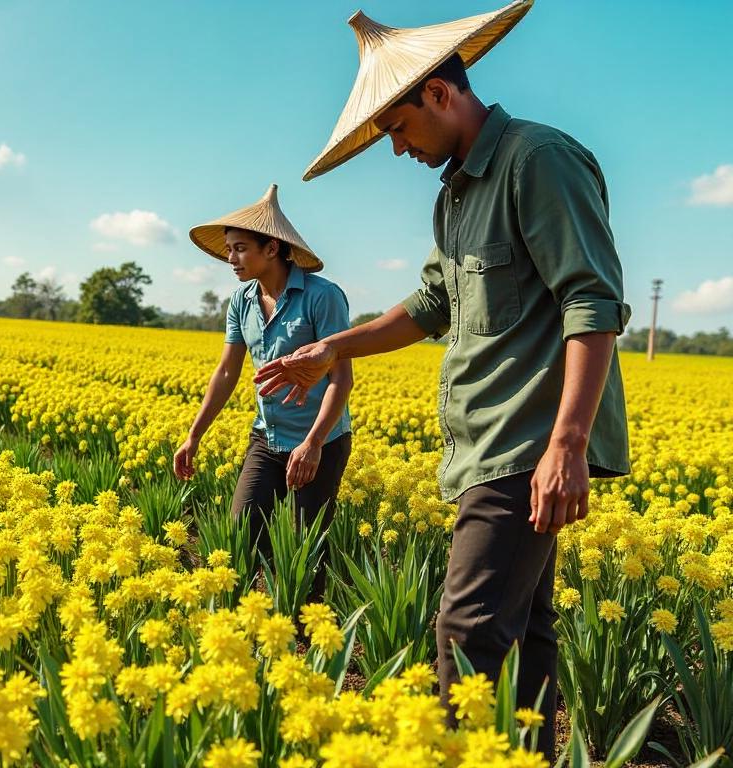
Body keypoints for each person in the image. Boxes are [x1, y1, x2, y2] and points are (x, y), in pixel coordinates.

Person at [259, 2, 630, 761]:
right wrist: (332, 347)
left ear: (437, 93)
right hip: (486, 445)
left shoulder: (537, 160)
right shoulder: (455, 196)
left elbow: (591, 301)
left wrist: (567, 442)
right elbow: (431, 305)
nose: (395, 150)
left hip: (527, 441)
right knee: (522, 632)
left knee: (465, 633)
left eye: (395, 129)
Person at [174, 183, 353, 587]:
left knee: (307, 552)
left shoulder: (322, 297)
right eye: (229, 248)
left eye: (239, 248)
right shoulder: (241, 301)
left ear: (272, 248)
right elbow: (225, 373)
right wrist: (194, 435)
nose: (230, 258)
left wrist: (313, 444)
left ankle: (306, 637)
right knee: (242, 535)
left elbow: (341, 380)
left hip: (319, 442)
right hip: (267, 439)